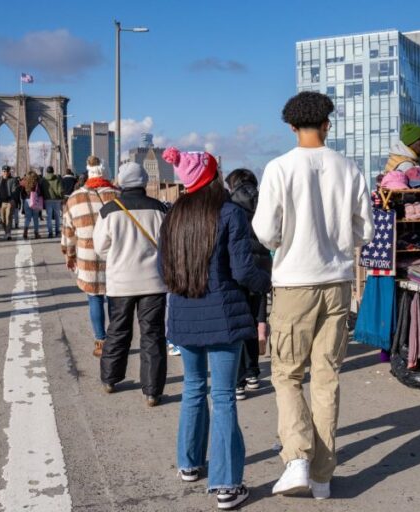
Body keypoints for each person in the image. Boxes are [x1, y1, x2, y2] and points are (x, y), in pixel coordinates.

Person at [252, 91, 374, 499]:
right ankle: (322, 475)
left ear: (290, 126)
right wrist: (340, 240)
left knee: (287, 375)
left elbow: (266, 232)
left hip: (294, 283)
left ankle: (298, 457)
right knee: (327, 378)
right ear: (328, 123)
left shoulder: (279, 168)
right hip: (338, 282)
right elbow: (366, 231)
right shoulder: (350, 168)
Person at [161, 147, 270, 510]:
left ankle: (189, 463)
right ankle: (226, 484)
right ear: (211, 176)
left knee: (193, 388)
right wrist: (265, 282)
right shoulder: (229, 214)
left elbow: (164, 268)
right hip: (224, 317)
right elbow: (243, 271)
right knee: (223, 397)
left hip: (183, 313)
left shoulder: (173, 215)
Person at [93, 161, 168, 404]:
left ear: (120, 182)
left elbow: (99, 248)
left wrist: (117, 258)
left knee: (118, 329)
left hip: (121, 283)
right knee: (153, 334)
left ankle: (110, 379)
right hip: (154, 283)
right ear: (144, 181)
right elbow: (167, 245)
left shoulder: (109, 210)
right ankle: (152, 391)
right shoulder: (160, 209)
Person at [61, 156, 118, 357]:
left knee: (94, 298)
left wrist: (70, 255)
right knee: (114, 299)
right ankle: (115, 338)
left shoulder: (74, 197)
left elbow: (67, 232)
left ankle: (100, 341)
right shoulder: (118, 195)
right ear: (104, 172)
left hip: (88, 257)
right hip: (114, 256)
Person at [224, 168, 272, 401]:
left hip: (239, 266)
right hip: (263, 265)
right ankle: (253, 372)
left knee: (239, 321)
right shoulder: (265, 200)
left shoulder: (230, 204)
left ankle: (239, 381)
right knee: (255, 318)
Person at [0, 166, 20, 241]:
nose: (5, 173)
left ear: (9, 172)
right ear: (2, 172)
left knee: (8, 217)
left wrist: (13, 200)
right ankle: (6, 232)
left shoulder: (13, 180)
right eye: (4, 171)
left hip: (9, 202)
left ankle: (8, 233)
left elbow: (15, 190)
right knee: (3, 219)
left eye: (7, 171)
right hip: (1, 203)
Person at [21, 170, 44, 239]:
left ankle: (25, 232)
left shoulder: (25, 183)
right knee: (35, 218)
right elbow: (40, 192)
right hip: (35, 201)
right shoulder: (37, 183)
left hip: (27, 201)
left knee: (27, 218)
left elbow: (22, 193)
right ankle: (36, 233)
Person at [42, 166, 64, 238]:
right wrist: (62, 197)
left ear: (47, 172)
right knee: (57, 216)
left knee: (49, 217)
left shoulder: (44, 180)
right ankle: (57, 231)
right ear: (53, 171)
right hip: (56, 200)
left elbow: (41, 189)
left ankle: (50, 232)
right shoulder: (57, 179)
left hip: (47, 200)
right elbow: (60, 190)